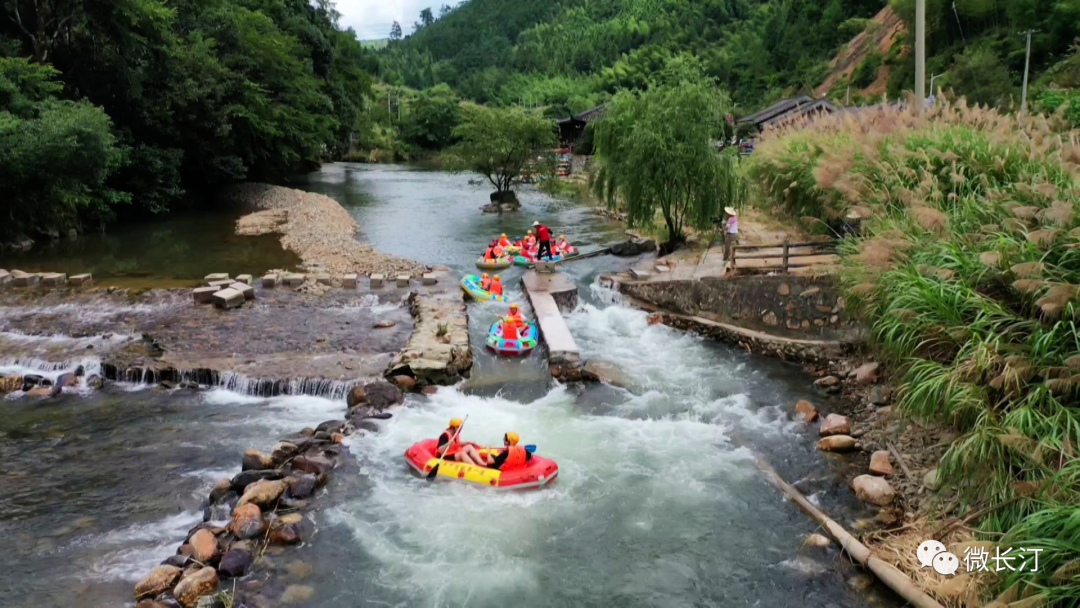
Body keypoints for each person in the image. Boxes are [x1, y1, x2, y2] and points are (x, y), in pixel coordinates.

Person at [723, 207, 739, 275]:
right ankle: (732, 259)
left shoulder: (730, 219)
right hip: (735, 234)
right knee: (732, 247)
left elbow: (726, 227)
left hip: (731, 234)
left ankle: (726, 258)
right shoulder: (735, 217)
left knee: (728, 246)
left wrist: (723, 227)